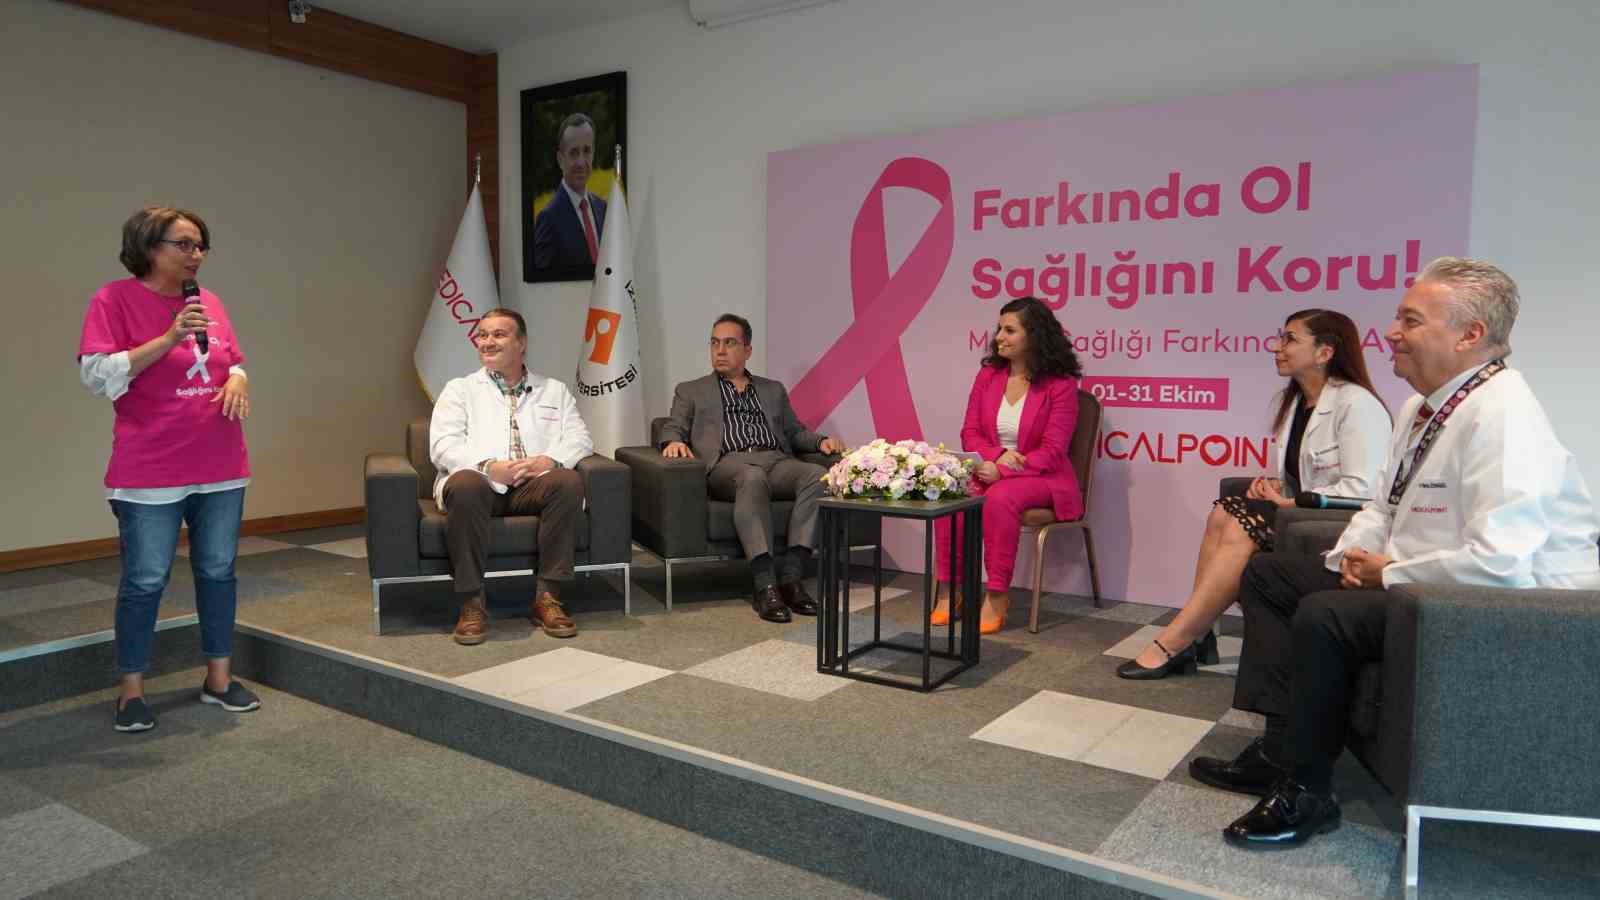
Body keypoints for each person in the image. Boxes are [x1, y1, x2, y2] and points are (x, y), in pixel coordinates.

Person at [1190, 258, 1600, 848]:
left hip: (1504, 610)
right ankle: (1280, 750)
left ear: (1469, 334)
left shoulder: (1506, 415)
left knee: (1326, 615)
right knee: (1271, 574)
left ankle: (1307, 791)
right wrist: (1353, 555)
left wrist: (1390, 573)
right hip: (1422, 586)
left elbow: (1500, 561)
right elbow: (1381, 505)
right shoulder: (1422, 407)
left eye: (1410, 320)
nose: (1390, 332)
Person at [1117, 309, 1391, 679]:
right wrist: (1279, 487)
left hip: (1340, 522)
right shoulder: (1296, 403)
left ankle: (1176, 641)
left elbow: (1363, 489)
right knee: (1224, 512)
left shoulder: (1357, 404)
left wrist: (1292, 501)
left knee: (1242, 526)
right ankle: (1202, 633)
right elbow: (1305, 474)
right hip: (1301, 512)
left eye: (1290, 339)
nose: (1277, 347)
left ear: (1325, 352)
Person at [78, 205, 260, 733]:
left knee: (218, 571)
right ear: (148, 247)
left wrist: (239, 378)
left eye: (201, 245)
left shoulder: (209, 301)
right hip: (150, 469)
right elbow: (96, 375)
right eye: (184, 244)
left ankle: (218, 679)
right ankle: (131, 692)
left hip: (220, 463)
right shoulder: (113, 299)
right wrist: (167, 339)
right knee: (146, 579)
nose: (196, 254)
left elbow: (231, 359)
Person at [660, 313, 843, 623]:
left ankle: (792, 577)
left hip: (775, 460)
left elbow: (794, 431)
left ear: (747, 350)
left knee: (818, 475)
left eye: (729, 343)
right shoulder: (691, 390)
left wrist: (820, 441)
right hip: (727, 465)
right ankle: (765, 584)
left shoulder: (772, 390)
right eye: (715, 343)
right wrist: (672, 441)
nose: (720, 351)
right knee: (752, 476)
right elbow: (673, 425)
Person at [430, 307, 593, 644]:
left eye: (498, 334)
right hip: (481, 484)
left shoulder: (554, 390)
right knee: (465, 484)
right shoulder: (459, 389)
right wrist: (489, 466)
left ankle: (547, 597)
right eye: (482, 335)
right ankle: (472, 602)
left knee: (568, 481)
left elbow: (580, 439)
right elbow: (443, 445)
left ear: (521, 343)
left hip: (532, 486)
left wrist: (549, 460)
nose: (487, 342)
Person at [931, 296, 1084, 635]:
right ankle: (949, 589)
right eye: (999, 328)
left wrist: (1004, 470)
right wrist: (996, 456)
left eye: (1010, 330)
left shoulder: (1060, 385)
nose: (999, 336)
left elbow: (1053, 451)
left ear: (1035, 335)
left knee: (999, 498)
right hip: (990, 466)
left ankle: (998, 594)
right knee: (950, 494)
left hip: (1043, 477)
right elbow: (970, 432)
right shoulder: (988, 375)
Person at [532, 113, 606, 272]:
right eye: (573, 152)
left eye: (587, 151)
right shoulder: (548, 219)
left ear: (593, 153)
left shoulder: (603, 208)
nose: (581, 162)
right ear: (560, 159)